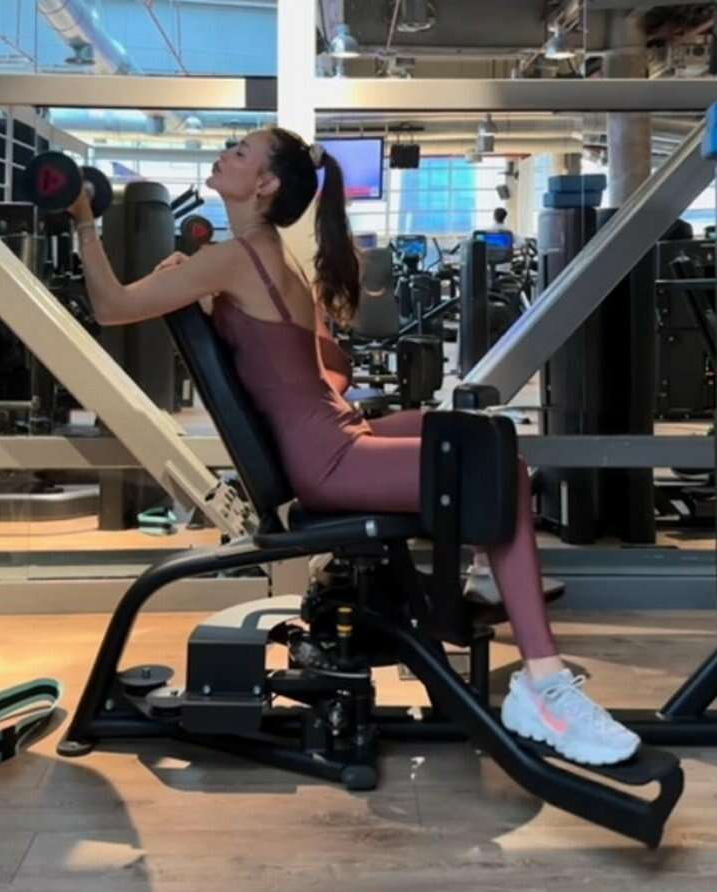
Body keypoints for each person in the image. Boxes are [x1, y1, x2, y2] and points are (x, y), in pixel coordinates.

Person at [67, 127, 640, 767]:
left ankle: (488, 576)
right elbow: (114, 308)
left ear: (265, 185)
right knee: (497, 469)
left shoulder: (243, 258)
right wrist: (94, 225)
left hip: (334, 441)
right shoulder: (256, 256)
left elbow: (314, 368)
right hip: (328, 458)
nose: (226, 153)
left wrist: (92, 224)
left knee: (481, 439)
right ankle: (543, 685)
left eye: (241, 151)